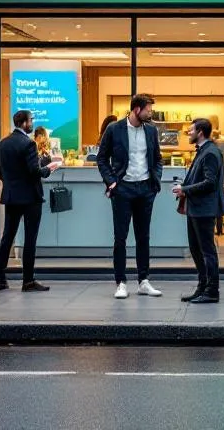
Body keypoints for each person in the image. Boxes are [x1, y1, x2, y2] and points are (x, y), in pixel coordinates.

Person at [97, 94, 164, 300]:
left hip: (145, 189)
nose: (151, 113)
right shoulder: (114, 129)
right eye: (148, 110)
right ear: (137, 110)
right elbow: (101, 158)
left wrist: (155, 181)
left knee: (144, 237)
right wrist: (112, 182)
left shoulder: (151, 131)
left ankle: (143, 280)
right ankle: (121, 282)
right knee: (121, 238)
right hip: (123, 189)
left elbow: (158, 159)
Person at [0, 110, 62, 292]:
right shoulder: (28, 144)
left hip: (11, 196)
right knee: (30, 239)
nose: (32, 123)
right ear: (24, 123)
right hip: (30, 197)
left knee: (7, 236)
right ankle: (28, 281)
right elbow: (34, 171)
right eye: (31, 120)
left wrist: (9, 183)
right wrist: (49, 169)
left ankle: (0, 279)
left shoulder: (1, 144)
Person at [173, 118, 224, 304]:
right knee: (196, 249)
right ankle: (202, 287)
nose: (188, 133)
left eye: (191, 130)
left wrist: (185, 190)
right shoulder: (204, 151)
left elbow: (210, 182)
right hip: (197, 208)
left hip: (204, 208)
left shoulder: (210, 153)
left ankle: (212, 290)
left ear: (201, 132)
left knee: (206, 251)